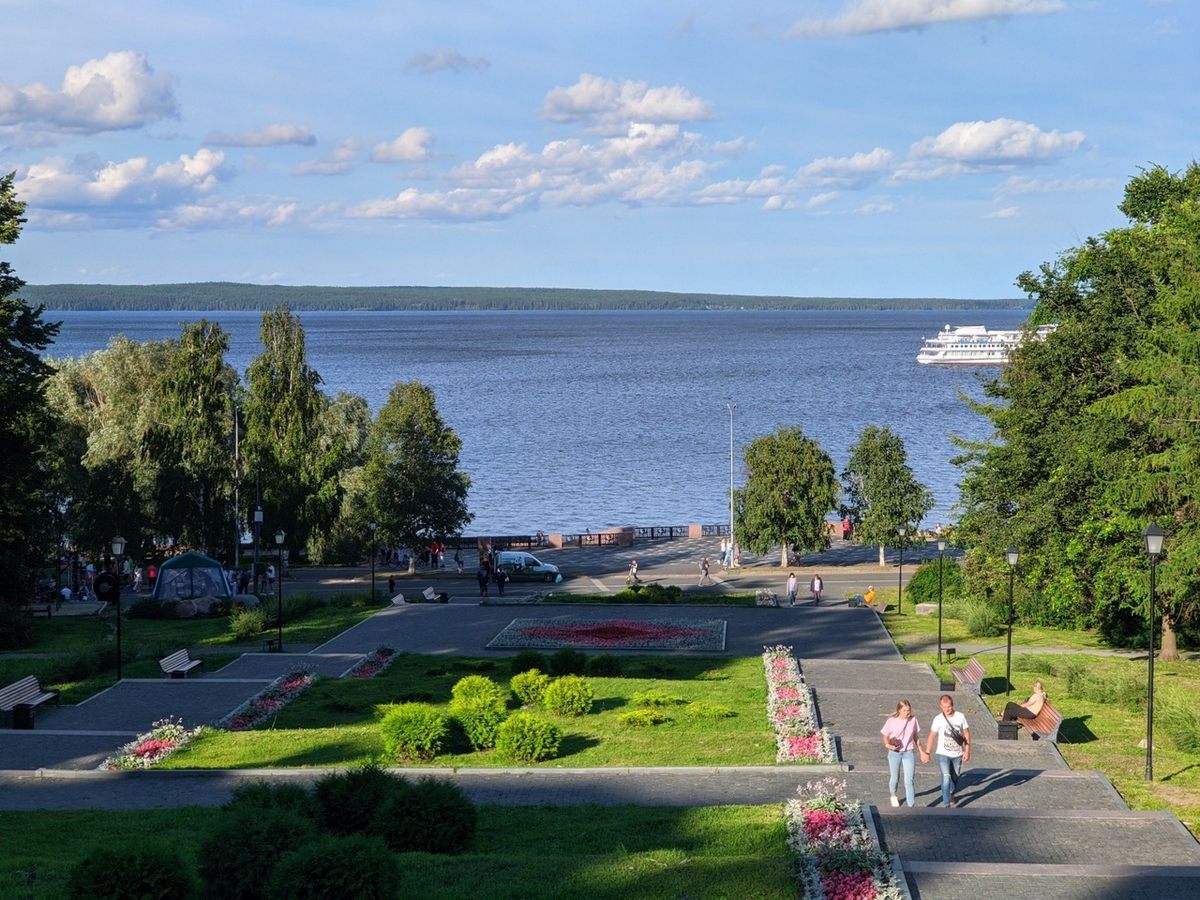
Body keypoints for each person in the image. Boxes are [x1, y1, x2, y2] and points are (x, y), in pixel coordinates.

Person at [923, 694, 970, 808]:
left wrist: (967, 750)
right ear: (940, 706)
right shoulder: (938, 719)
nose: (947, 710)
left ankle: (951, 792)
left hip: (957, 753)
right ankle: (946, 804)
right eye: (944, 707)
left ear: (952, 705)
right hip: (943, 753)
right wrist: (927, 752)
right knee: (946, 777)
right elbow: (932, 736)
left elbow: (966, 734)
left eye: (948, 707)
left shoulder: (960, 716)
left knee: (955, 776)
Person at [881, 699, 921, 807]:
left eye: (908, 710)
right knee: (895, 777)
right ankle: (893, 795)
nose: (907, 713)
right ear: (899, 710)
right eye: (904, 710)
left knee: (909, 780)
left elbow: (915, 736)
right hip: (895, 752)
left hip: (908, 752)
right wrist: (888, 745)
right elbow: (885, 736)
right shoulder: (891, 721)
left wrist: (921, 751)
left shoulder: (913, 720)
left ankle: (911, 805)